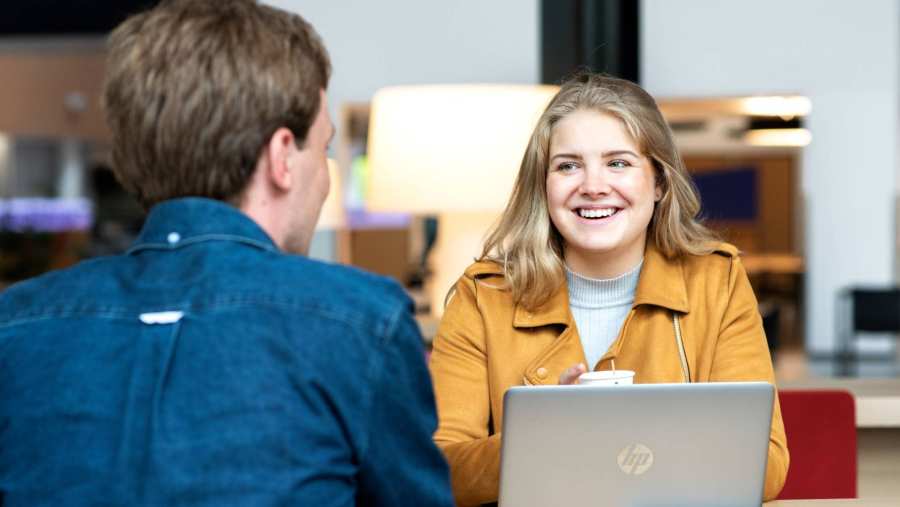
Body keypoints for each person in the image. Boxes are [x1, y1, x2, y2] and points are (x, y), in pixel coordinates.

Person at [0, 1, 454, 505]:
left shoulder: (14, 325)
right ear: (283, 156)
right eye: (323, 150)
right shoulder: (361, 323)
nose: (325, 176)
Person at [429, 72, 789, 506]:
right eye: (568, 165)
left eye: (618, 162)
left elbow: (765, 465)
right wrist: (544, 436)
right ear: (543, 187)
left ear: (658, 182)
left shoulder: (718, 282)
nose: (593, 186)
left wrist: (607, 440)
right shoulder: (483, 296)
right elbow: (436, 470)